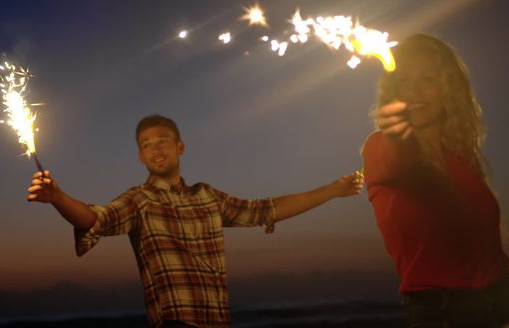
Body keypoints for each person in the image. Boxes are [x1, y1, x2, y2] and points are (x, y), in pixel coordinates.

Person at [27, 114, 363, 328]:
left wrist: (332, 190)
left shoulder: (208, 197)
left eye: (162, 141)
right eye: (147, 145)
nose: (156, 149)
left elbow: (267, 210)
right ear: (141, 157)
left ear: (180, 147)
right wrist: (59, 198)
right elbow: (95, 218)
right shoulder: (139, 200)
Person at [361, 34, 509, 327]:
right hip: (445, 315)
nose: (414, 91)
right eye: (404, 81)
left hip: (508, 304)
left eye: (428, 79)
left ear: (447, 90)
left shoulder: (461, 160)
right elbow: (398, 155)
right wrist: (394, 128)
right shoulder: (380, 148)